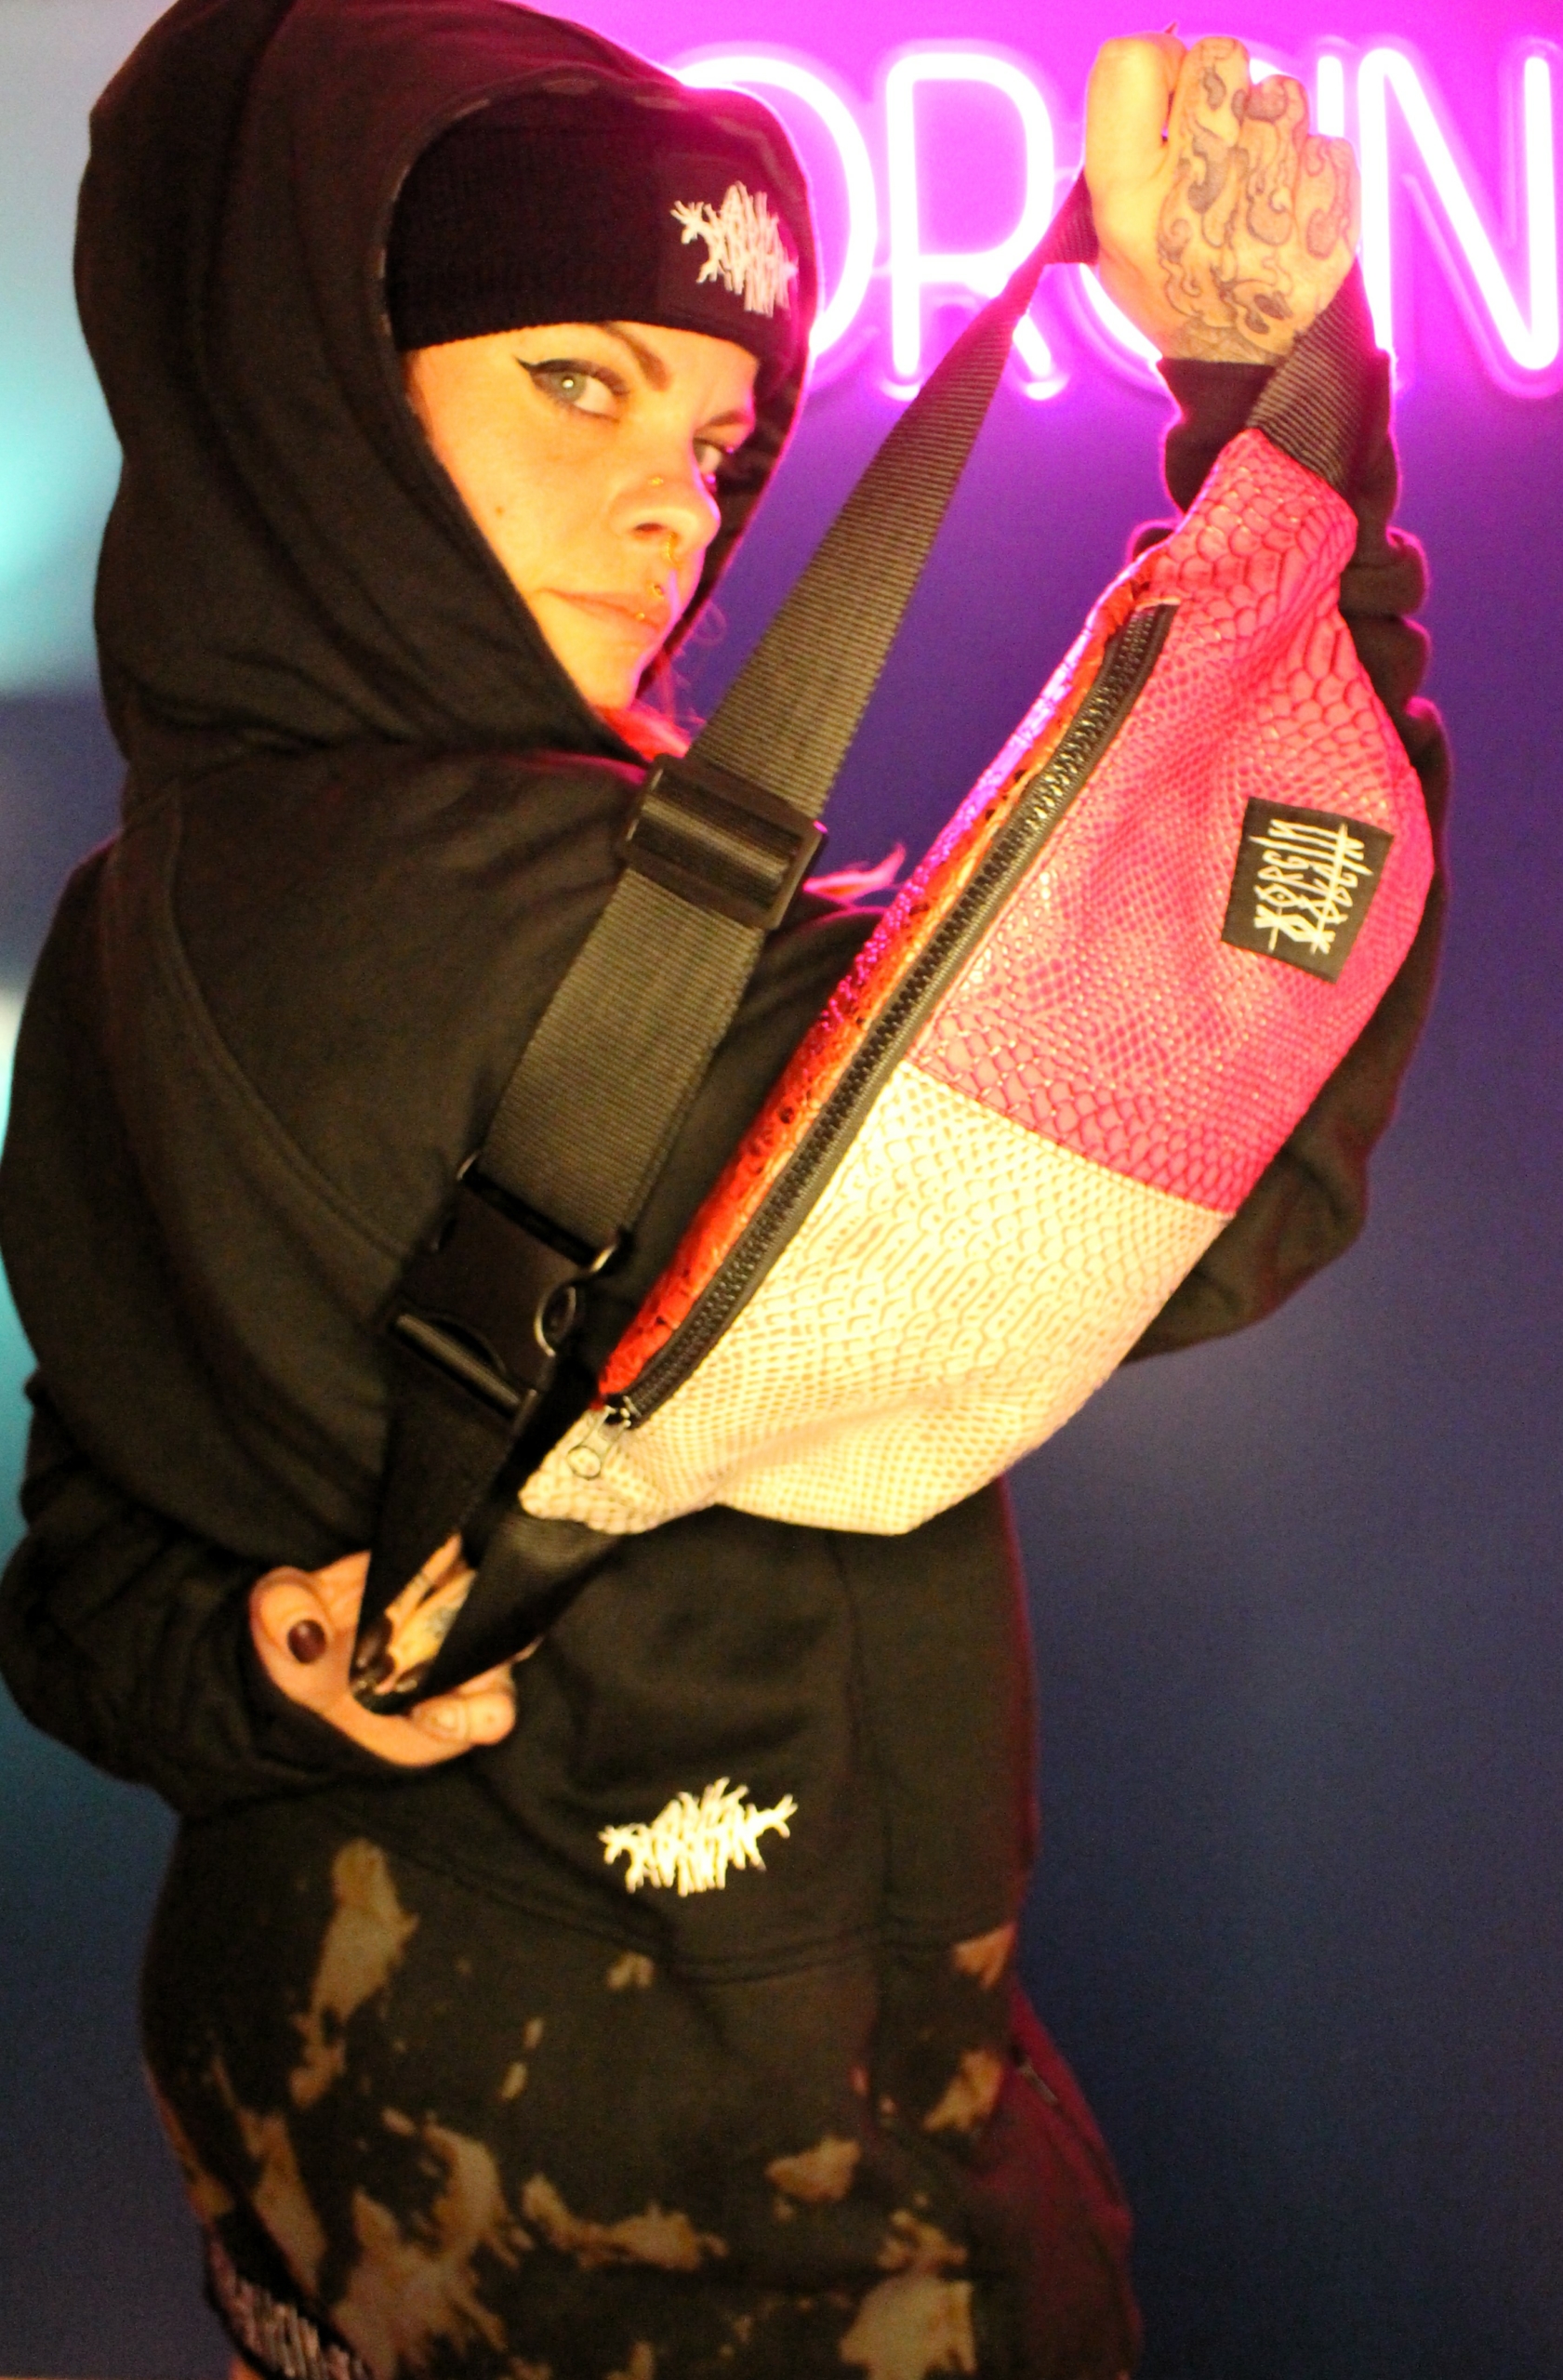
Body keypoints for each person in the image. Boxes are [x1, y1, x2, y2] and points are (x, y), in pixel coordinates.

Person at [0, 1, 1450, 2373]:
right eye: (572, 380)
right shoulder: (567, 919)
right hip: (736, 2251)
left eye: (709, 431)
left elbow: (73, 1586)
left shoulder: (116, 930)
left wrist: (269, 1658)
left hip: (319, 2207)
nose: (677, 500)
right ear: (322, 393)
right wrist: (1288, 425)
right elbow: (1241, 1099)